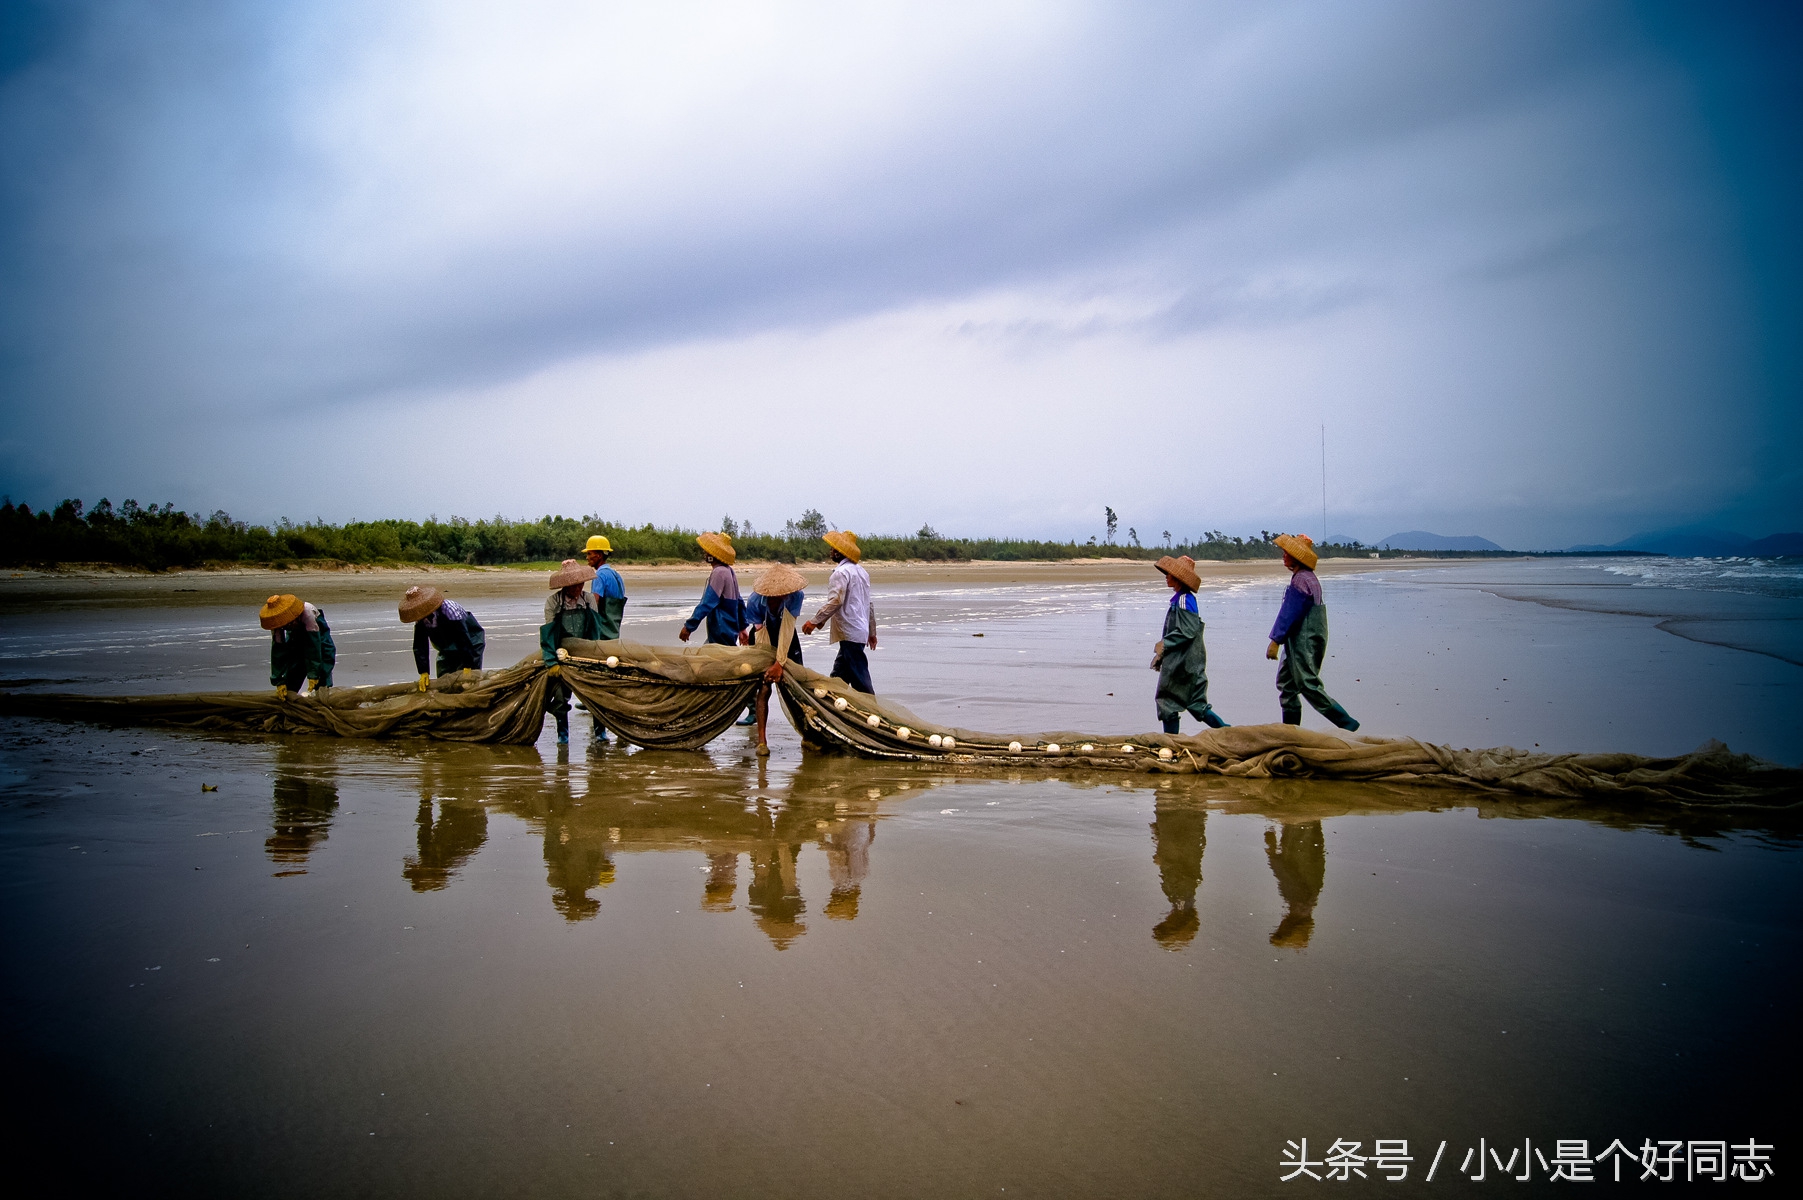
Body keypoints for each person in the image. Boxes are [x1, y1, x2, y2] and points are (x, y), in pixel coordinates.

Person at [1267, 533, 1360, 731]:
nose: (1283, 555)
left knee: (1307, 684)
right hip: (1304, 637)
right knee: (1287, 684)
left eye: (1287, 553)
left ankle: (1347, 724)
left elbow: (1289, 613)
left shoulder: (1301, 580)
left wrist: (1275, 641)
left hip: (1304, 640)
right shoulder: (1307, 578)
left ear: (1297, 557)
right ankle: (1291, 731)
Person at [1150, 554, 1229, 733]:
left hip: (1183, 662)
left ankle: (1171, 744)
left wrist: (1164, 645)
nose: (1166, 576)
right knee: (1196, 703)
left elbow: (1187, 631)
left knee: (1167, 701)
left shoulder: (1184, 600)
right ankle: (1228, 733)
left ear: (1177, 578)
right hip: (1189, 660)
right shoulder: (1180, 599)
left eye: (1169, 574)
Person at [802, 529, 877, 694]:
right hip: (858, 631)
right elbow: (868, 604)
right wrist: (871, 632)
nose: (831, 551)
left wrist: (814, 621)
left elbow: (836, 601)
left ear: (841, 552)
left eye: (834, 549)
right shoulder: (862, 572)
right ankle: (831, 707)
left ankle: (873, 710)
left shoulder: (840, 573)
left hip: (850, 630)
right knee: (838, 678)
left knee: (860, 679)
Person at [744, 562, 806, 756]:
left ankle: (808, 735)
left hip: (786, 634)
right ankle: (762, 741)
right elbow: (761, 635)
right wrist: (769, 664)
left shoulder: (796, 596)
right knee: (764, 686)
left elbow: (787, 629)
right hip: (763, 635)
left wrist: (780, 663)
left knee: (797, 688)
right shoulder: (754, 601)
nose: (782, 597)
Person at [541, 559, 602, 745]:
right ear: (566, 585)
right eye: (574, 585)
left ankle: (600, 733)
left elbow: (594, 630)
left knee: (596, 694)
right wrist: (551, 661)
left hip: (586, 651)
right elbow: (549, 634)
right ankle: (563, 735)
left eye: (581, 584)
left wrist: (594, 655)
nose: (578, 588)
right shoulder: (553, 603)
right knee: (560, 697)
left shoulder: (588, 599)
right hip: (562, 653)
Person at [399, 585, 485, 690]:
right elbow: (420, 645)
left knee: (467, 683)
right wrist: (423, 671)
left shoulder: (449, 609)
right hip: (446, 647)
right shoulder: (420, 618)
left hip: (471, 641)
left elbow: (463, 638)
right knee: (444, 680)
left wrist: (468, 664)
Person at [260, 593, 335, 698]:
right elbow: (278, 650)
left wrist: (313, 674)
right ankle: (289, 692)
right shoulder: (276, 622)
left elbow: (313, 646)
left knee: (323, 661)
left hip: (318, 636)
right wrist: (278, 680)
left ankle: (322, 691)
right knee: (294, 665)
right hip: (295, 637)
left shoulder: (307, 614)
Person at [679, 531, 743, 646]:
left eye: (707, 552)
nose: (705, 553)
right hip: (730, 629)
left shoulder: (719, 573)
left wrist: (689, 626)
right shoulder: (729, 571)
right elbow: (740, 601)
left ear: (713, 555)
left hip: (721, 629)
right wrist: (742, 628)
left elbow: (707, 603)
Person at [583, 535, 627, 640]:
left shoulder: (599, 576)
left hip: (602, 631)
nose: (587, 557)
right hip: (614, 630)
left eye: (589, 553)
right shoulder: (616, 575)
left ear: (598, 555)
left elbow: (594, 602)